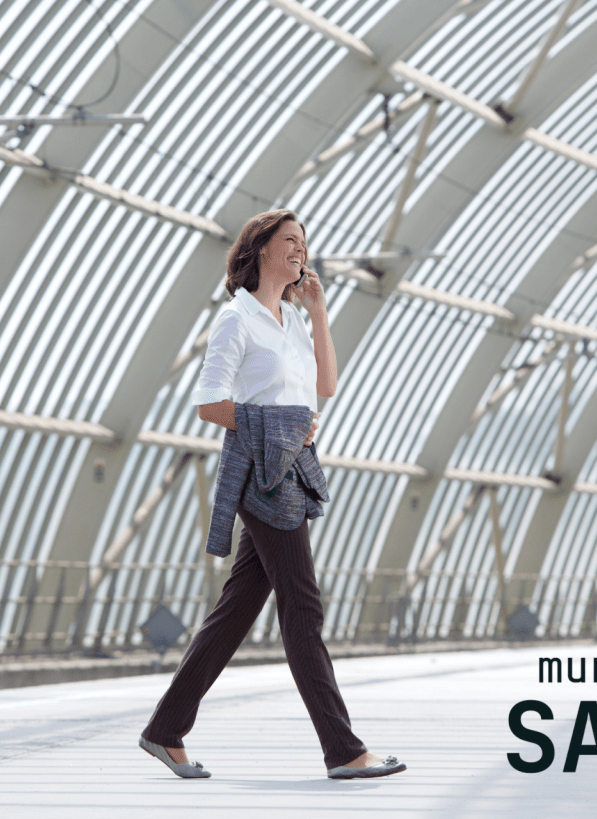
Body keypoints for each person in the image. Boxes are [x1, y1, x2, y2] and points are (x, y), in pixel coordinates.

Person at [138, 209, 406, 780]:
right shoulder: (236, 320)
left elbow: (325, 388)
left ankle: (165, 730)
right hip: (262, 471)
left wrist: (319, 312)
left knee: (236, 612)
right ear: (260, 250)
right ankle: (344, 750)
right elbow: (211, 404)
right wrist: (281, 426)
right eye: (289, 241)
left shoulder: (290, 319)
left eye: (303, 242)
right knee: (303, 608)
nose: (299, 250)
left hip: (293, 467)